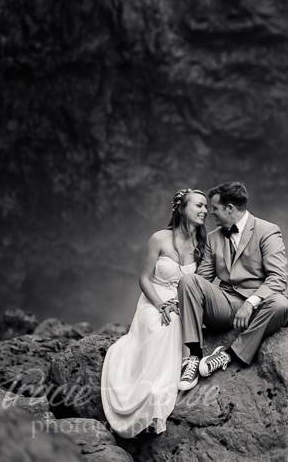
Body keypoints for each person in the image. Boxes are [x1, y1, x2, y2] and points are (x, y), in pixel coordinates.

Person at [101, 188, 208, 438]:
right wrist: (161, 304)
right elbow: (144, 278)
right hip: (154, 300)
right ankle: (150, 395)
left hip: (184, 303)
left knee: (179, 323)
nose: (205, 211)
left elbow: (203, 283)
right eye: (199, 206)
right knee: (164, 325)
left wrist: (182, 305)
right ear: (182, 209)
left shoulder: (203, 244)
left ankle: (159, 393)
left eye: (206, 207)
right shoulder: (159, 238)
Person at [177, 181, 288, 391]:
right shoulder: (213, 238)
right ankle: (193, 357)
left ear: (230, 209)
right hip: (226, 304)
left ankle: (227, 355)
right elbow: (202, 279)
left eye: (215, 208)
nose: (211, 213)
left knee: (281, 304)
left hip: (258, 307)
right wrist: (178, 299)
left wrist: (250, 303)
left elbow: (278, 277)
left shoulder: (268, 231)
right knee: (189, 280)